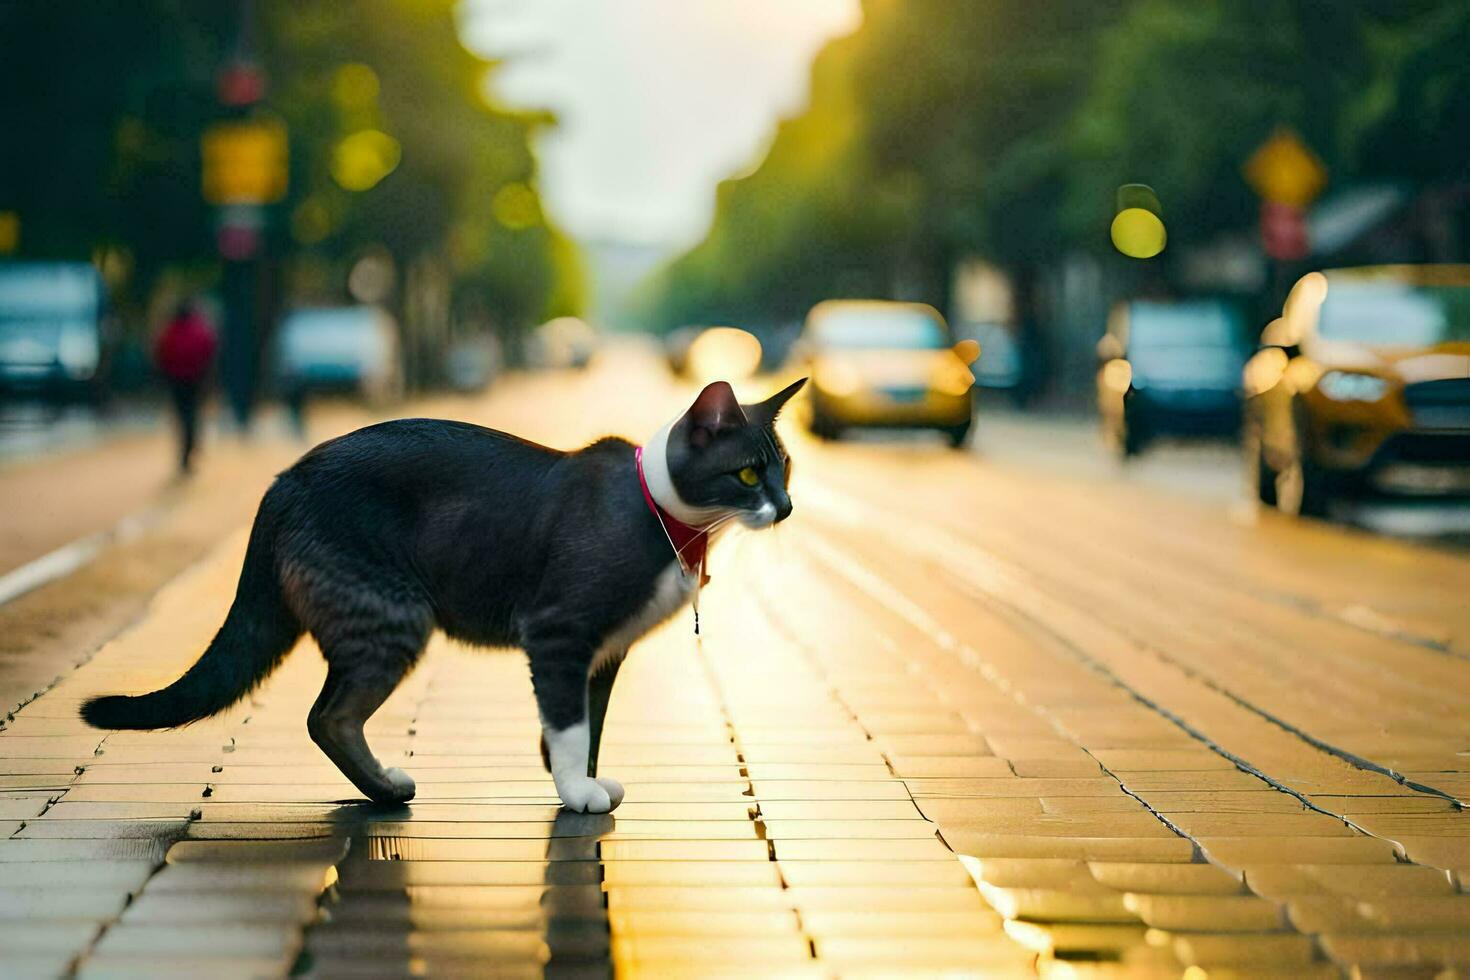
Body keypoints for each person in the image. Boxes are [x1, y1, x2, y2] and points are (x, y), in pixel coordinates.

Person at [153, 299, 218, 474]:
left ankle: (186, 450)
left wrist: (164, 374)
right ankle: (190, 447)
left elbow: (160, 353)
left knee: (182, 416)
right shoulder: (199, 329)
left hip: (175, 380)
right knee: (193, 415)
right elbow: (209, 350)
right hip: (196, 379)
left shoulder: (169, 330)